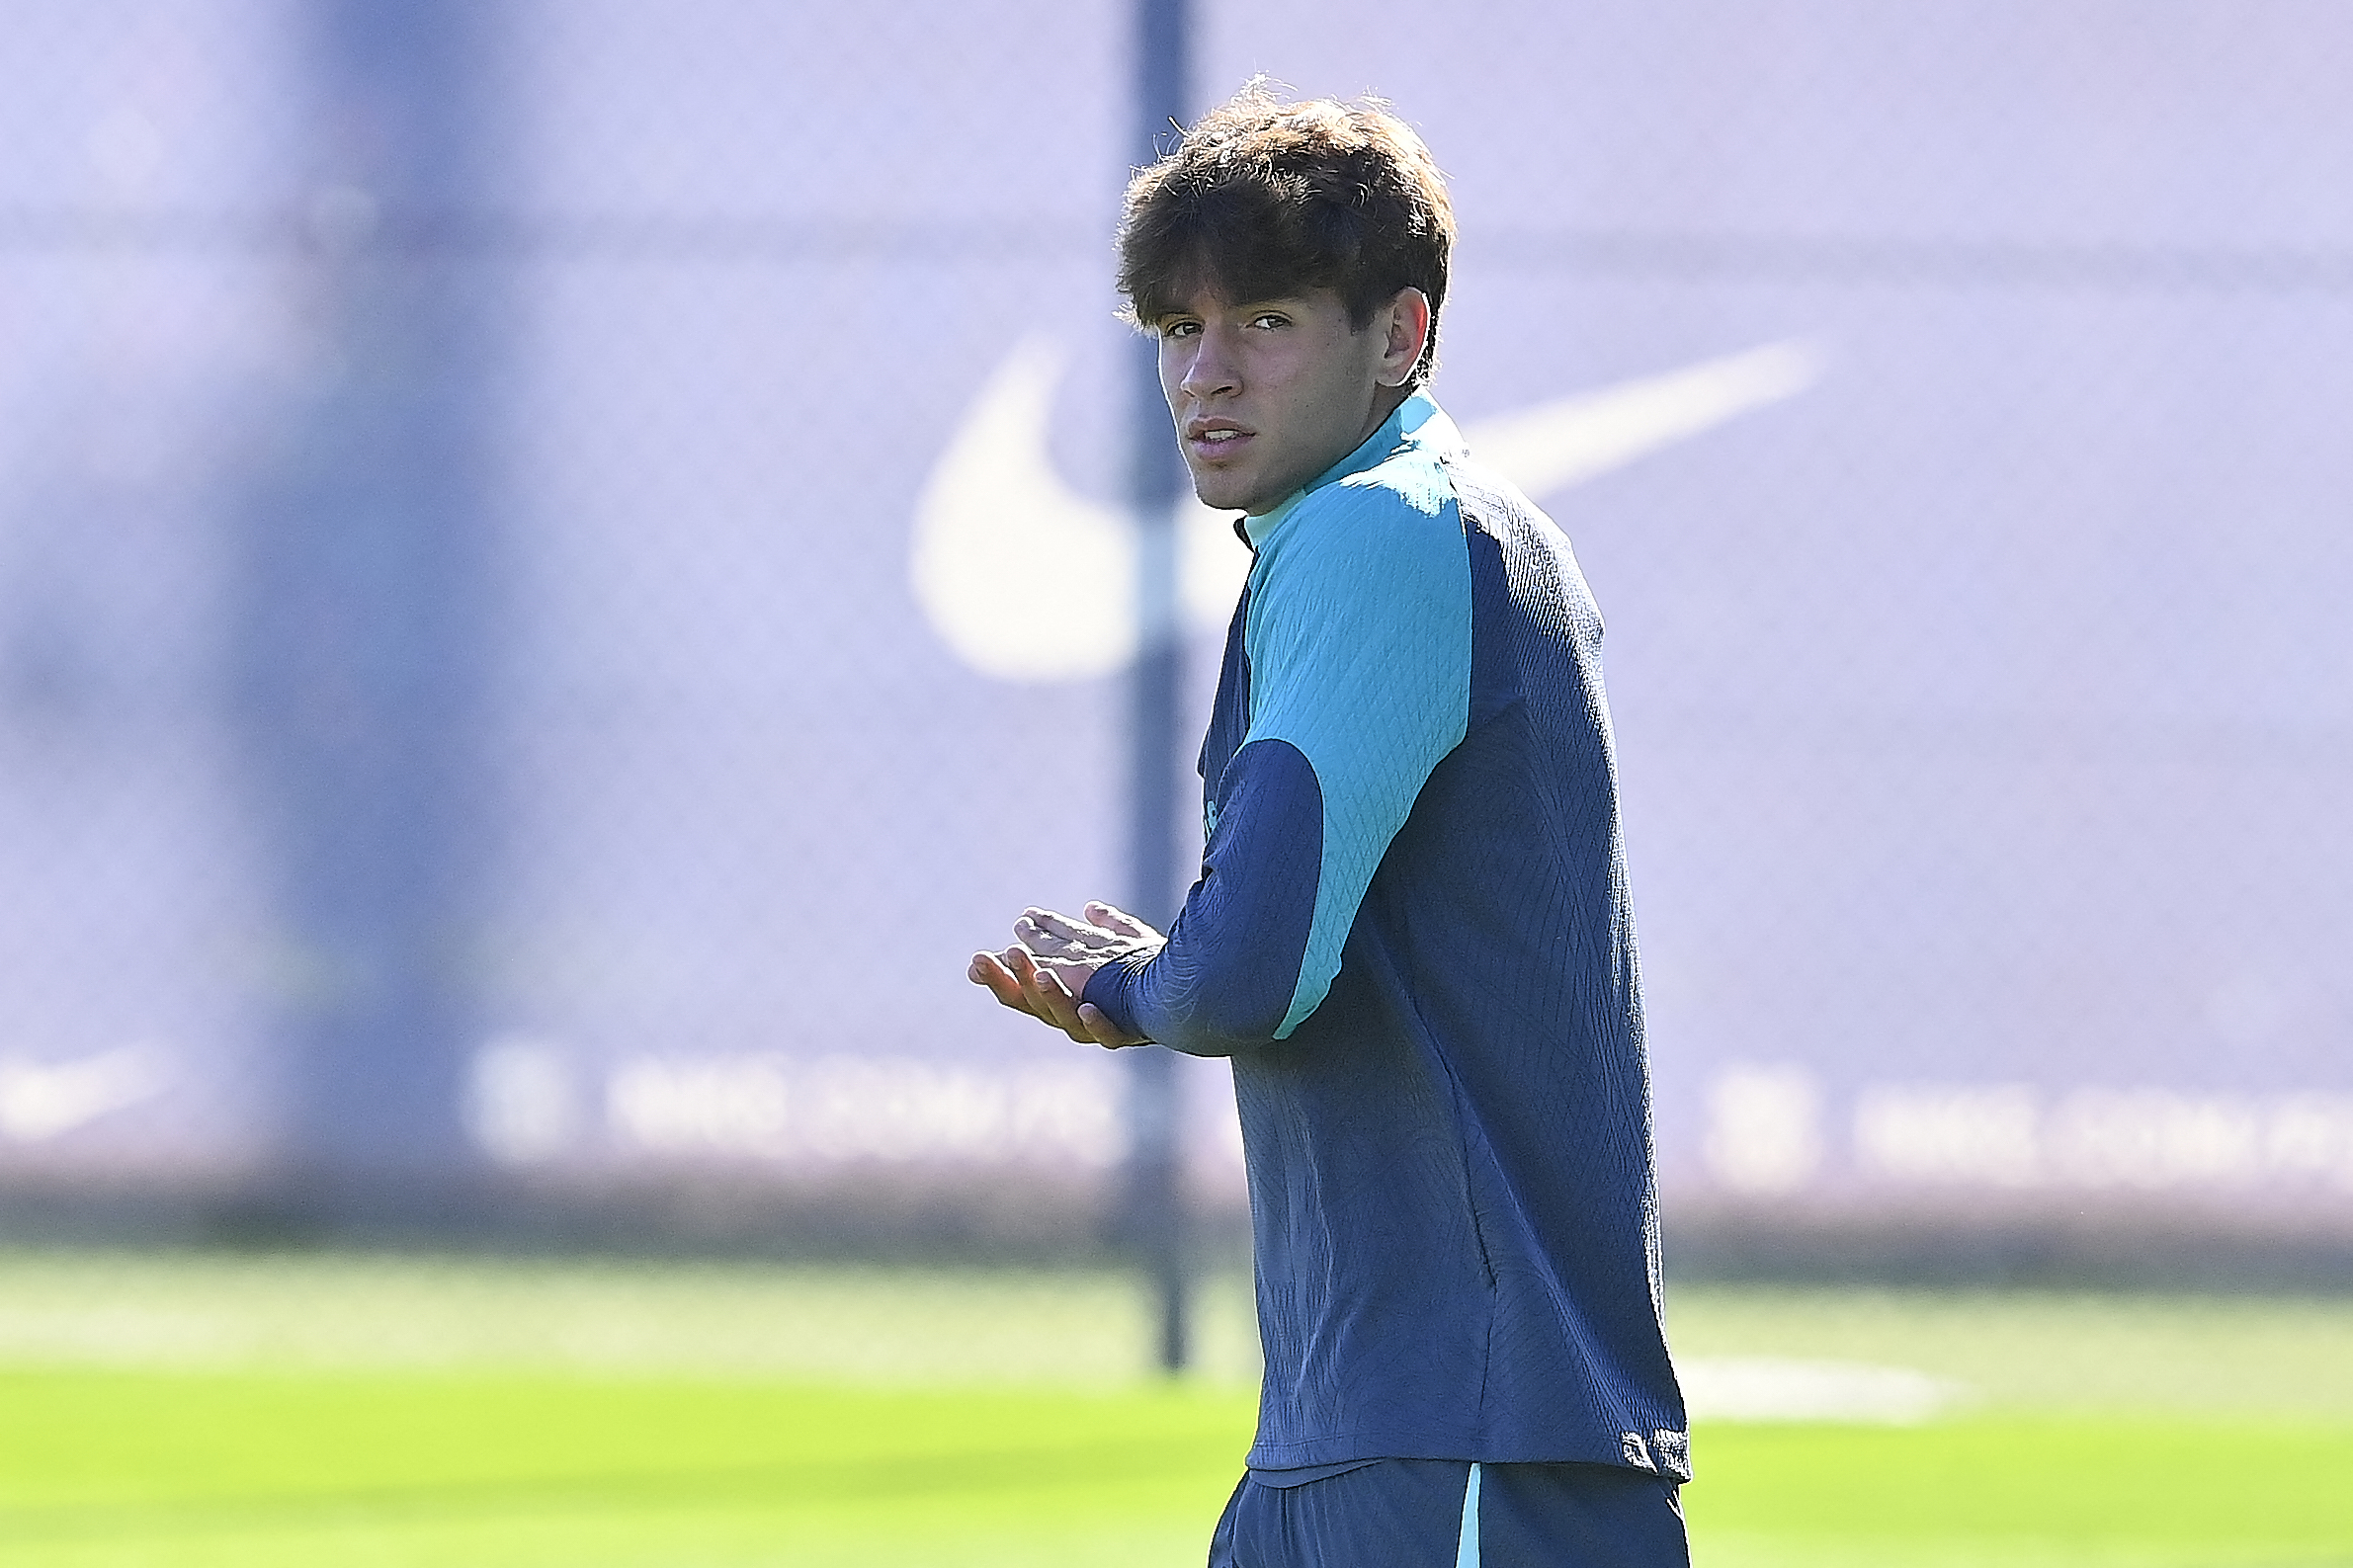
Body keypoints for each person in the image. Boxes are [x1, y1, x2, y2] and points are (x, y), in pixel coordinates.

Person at [968, 86, 1690, 1568]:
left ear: (1400, 336)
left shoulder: (1382, 529)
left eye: (1269, 322)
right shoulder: (1381, 531)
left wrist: (1136, 985)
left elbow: (1245, 978)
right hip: (1375, 1434)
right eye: (1179, 329)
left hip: (1465, 1452)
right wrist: (1166, 973)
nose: (1204, 376)